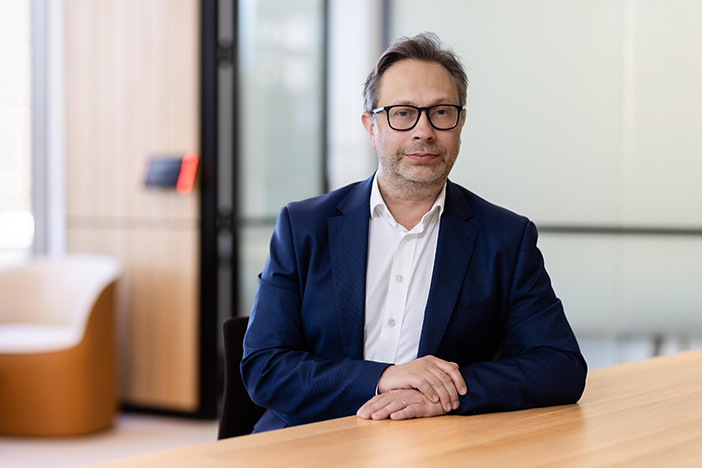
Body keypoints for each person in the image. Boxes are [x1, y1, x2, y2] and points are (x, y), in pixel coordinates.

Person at [241, 32, 587, 433]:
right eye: (403, 113)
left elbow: (559, 365)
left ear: (460, 124)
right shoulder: (303, 227)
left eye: (441, 112)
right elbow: (265, 366)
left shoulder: (506, 238)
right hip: (311, 438)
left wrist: (441, 394)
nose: (424, 131)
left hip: (436, 442)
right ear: (371, 127)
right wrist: (383, 378)